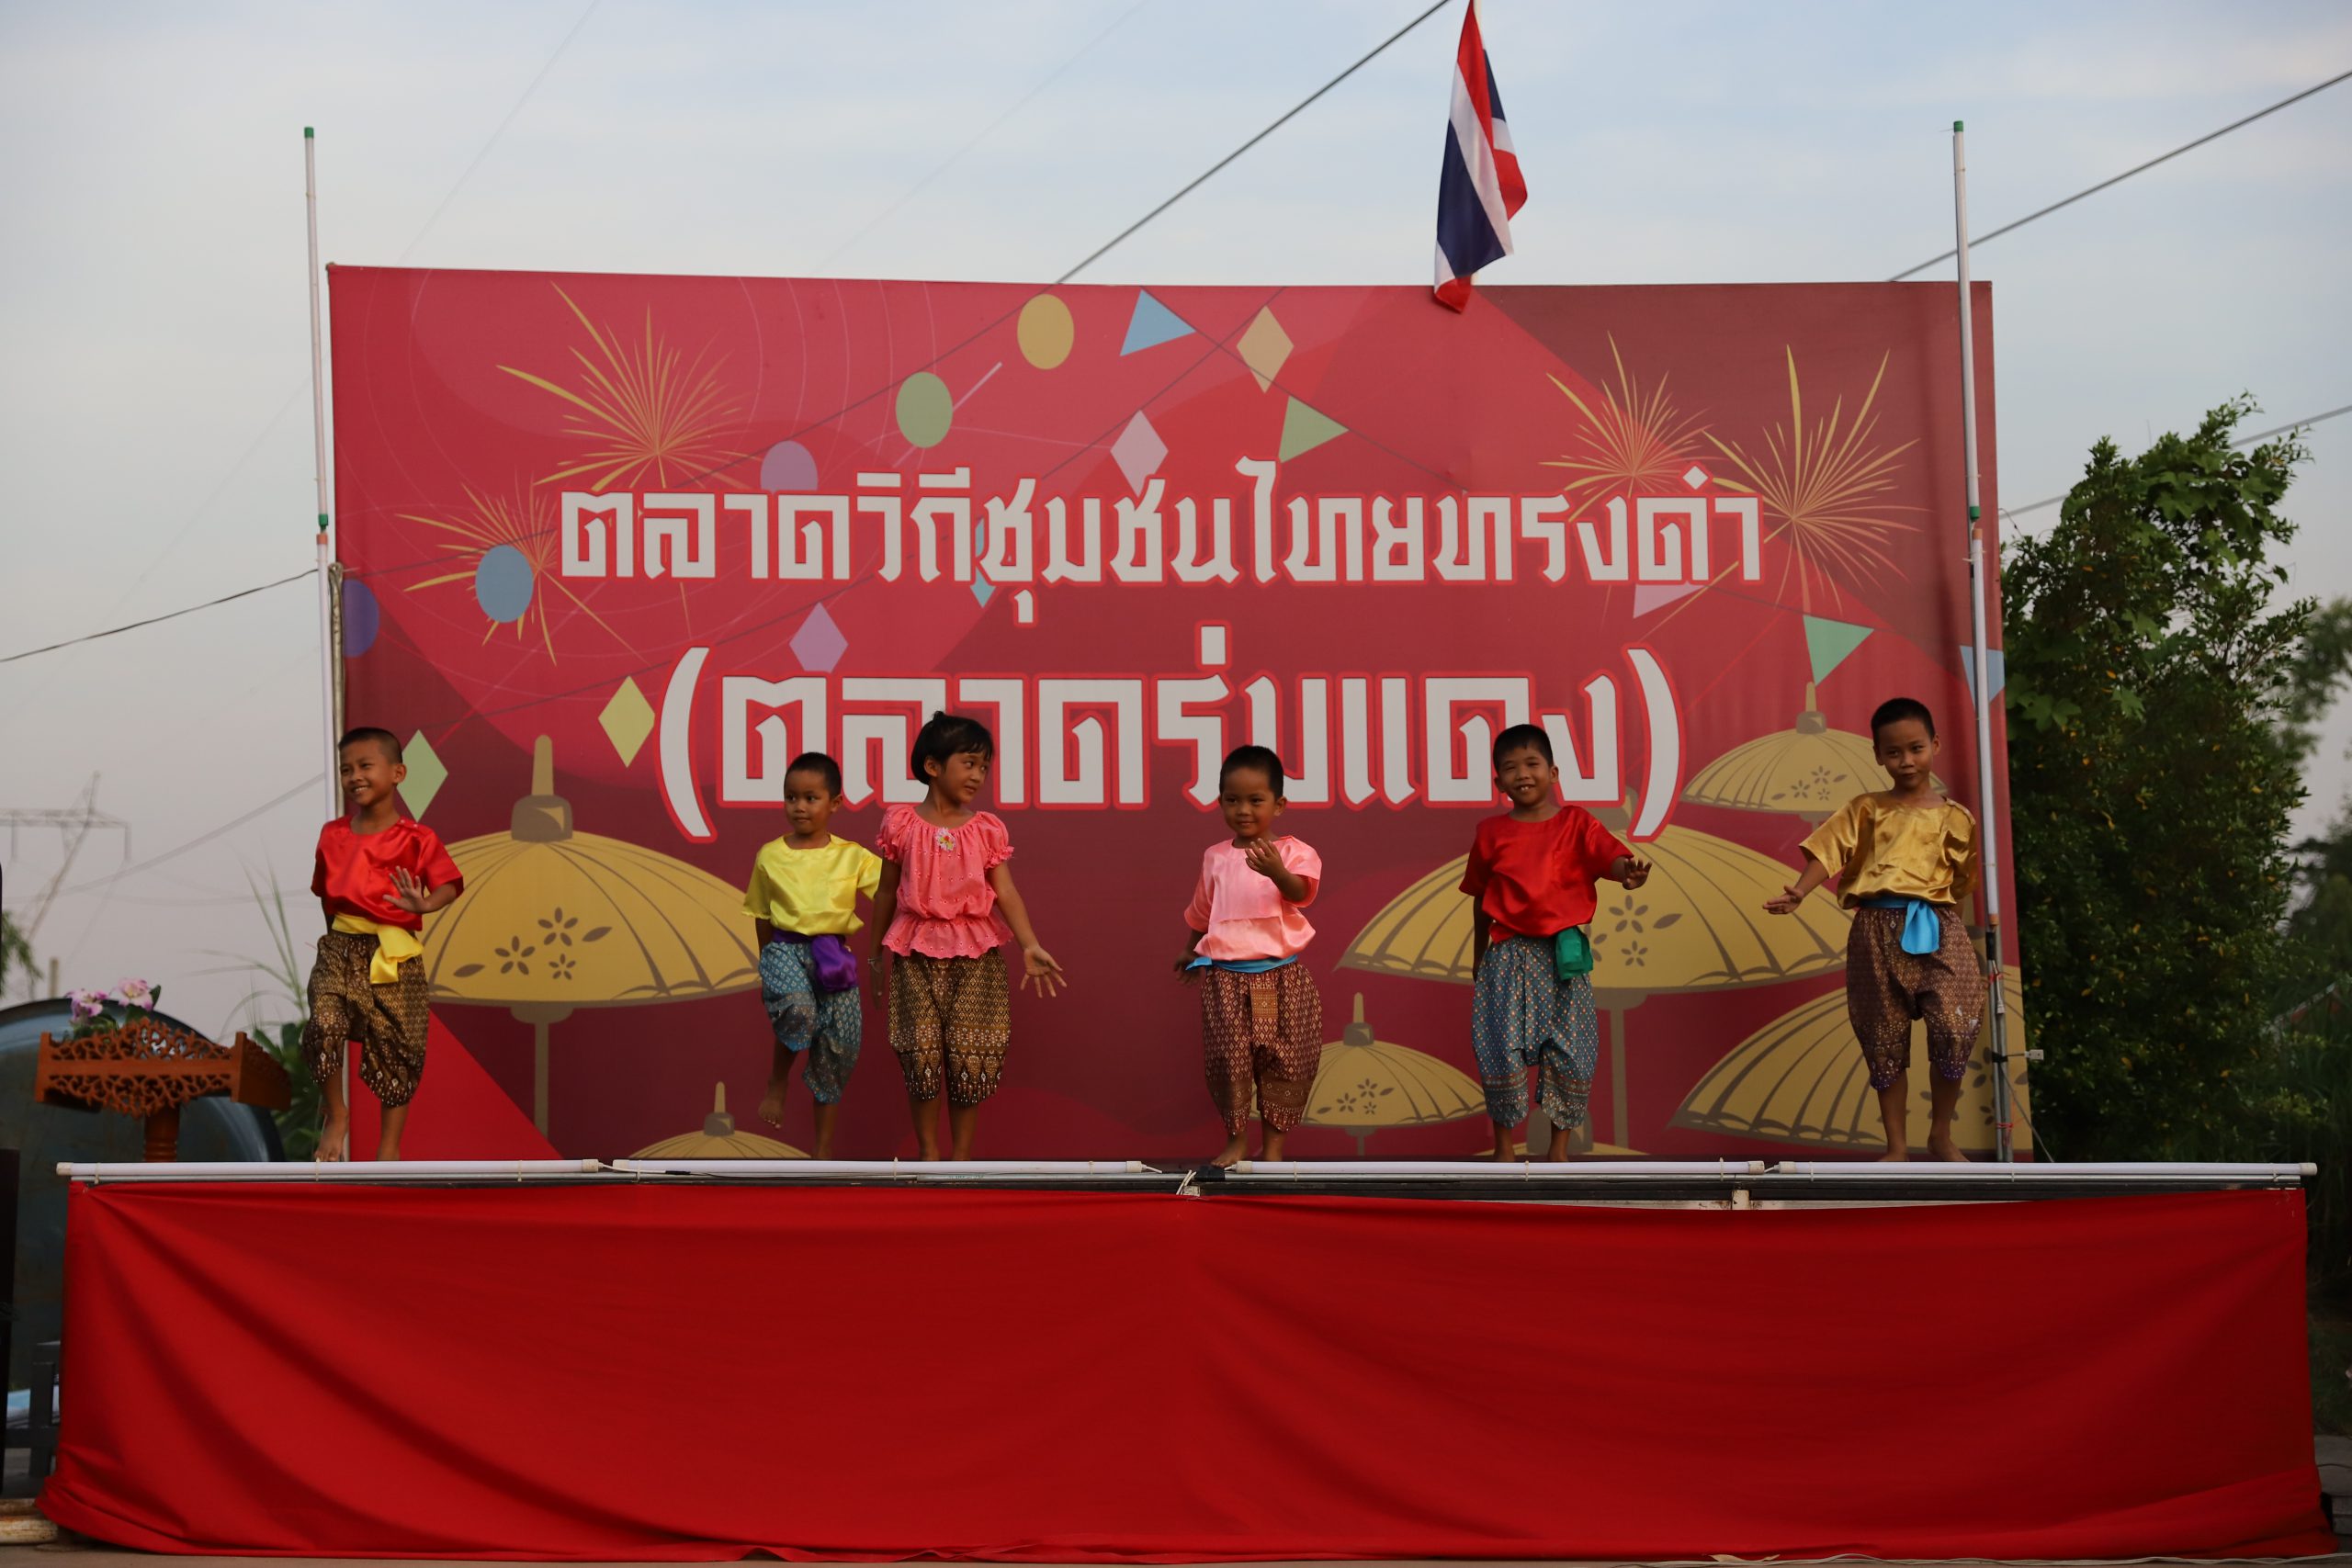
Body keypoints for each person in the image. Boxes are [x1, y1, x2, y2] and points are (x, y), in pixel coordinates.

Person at [1765, 696, 1986, 1161]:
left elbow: (1961, 885)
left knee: (1954, 1025)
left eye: (1916, 748)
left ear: (1935, 746)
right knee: (1883, 1034)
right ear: (1878, 755)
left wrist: (1963, 940)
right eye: (1893, 752)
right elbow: (1828, 851)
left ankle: (1941, 1135)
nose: (1906, 761)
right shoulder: (1866, 809)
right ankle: (1897, 1147)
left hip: (1939, 926)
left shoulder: (1958, 817)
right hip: (1875, 930)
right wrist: (1801, 891)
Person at [869, 712, 1064, 1159]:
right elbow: (885, 892)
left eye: (984, 767)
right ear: (933, 766)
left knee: (969, 1055)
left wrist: (1030, 943)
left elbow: (1006, 890)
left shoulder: (986, 829)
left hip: (977, 957)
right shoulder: (900, 824)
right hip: (915, 954)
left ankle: (960, 1157)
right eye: (969, 763)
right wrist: (875, 955)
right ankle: (929, 1154)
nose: (978, 775)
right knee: (919, 1053)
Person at [1463, 723, 1651, 1160]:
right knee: (1500, 1049)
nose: (1522, 774)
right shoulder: (1490, 832)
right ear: (1499, 782)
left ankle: (1558, 1153)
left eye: (1532, 764)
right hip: (1506, 957)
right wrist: (1478, 955)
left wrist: (1628, 874)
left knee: (1571, 1050)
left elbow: (1611, 859)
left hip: (1564, 956)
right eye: (1511, 768)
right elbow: (1481, 900)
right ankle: (1504, 1151)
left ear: (1553, 773)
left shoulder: (1577, 823)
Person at [304, 727, 464, 1162]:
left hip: (394, 953)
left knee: (399, 1045)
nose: (354, 776)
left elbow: (449, 884)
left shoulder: (417, 837)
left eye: (365, 766)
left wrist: (424, 903)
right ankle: (337, 1115)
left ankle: (389, 1148)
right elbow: (325, 895)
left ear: (397, 773)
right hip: (340, 947)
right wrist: (332, 942)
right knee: (324, 1023)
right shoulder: (332, 835)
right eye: (346, 769)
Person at [1173, 745, 1324, 1168]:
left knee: (1284, 1061)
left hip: (1282, 978)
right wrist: (1189, 948)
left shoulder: (1294, 853)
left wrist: (1277, 871)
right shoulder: (1216, 857)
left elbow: (1301, 893)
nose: (1243, 810)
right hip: (1226, 979)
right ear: (1220, 801)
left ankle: (1273, 1150)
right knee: (1230, 1063)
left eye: (1255, 800)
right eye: (1232, 800)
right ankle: (1236, 1140)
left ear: (1279, 805)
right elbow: (1202, 911)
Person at [741, 751, 880, 1159]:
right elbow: (761, 915)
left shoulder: (852, 855)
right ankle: (777, 1082)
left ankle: (822, 1152)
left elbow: (894, 890)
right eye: (791, 797)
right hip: (785, 949)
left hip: (834, 958)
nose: (799, 807)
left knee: (839, 1046)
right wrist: (768, 967)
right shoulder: (770, 855)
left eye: (810, 798)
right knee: (798, 1010)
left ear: (835, 803)